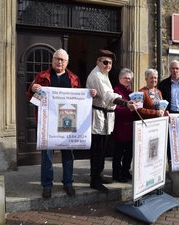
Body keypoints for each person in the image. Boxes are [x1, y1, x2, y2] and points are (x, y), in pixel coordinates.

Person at [27, 48, 97, 198]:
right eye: (57, 59)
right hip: (48, 123)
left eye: (62, 60)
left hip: (68, 122)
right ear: (52, 60)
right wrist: (32, 89)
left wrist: (89, 94)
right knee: (47, 156)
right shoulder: (42, 76)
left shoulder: (74, 78)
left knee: (68, 155)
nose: (59, 62)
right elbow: (31, 98)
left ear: (67, 62)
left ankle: (68, 183)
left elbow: (80, 99)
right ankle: (47, 185)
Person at [86, 49, 138, 192]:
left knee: (102, 149)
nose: (108, 65)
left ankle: (99, 174)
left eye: (110, 63)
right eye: (105, 62)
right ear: (98, 62)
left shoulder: (104, 75)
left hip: (105, 116)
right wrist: (125, 103)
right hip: (98, 116)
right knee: (97, 149)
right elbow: (108, 96)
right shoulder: (97, 75)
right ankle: (94, 179)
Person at [112, 68, 137, 183]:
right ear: (119, 78)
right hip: (121, 126)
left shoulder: (131, 92)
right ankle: (116, 173)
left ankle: (125, 171)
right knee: (119, 152)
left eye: (129, 78)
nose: (128, 80)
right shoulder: (116, 91)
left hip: (131, 127)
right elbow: (116, 109)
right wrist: (130, 110)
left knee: (129, 152)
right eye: (125, 78)